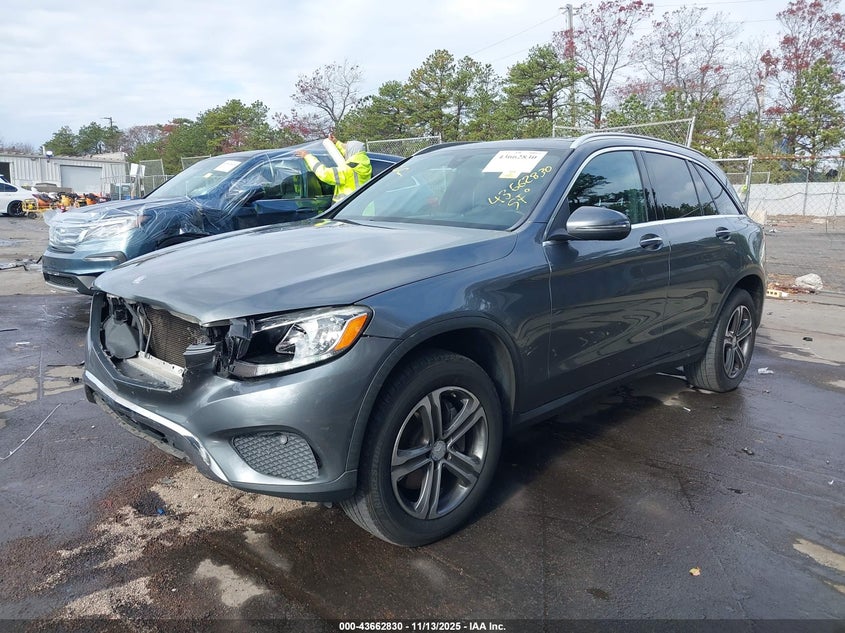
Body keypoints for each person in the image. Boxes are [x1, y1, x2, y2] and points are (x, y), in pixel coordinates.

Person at [295, 133, 372, 203]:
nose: (344, 151)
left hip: (347, 206)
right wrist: (336, 142)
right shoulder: (364, 163)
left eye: (346, 148)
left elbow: (324, 174)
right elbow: (347, 151)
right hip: (361, 205)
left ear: (351, 151)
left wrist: (307, 157)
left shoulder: (348, 169)